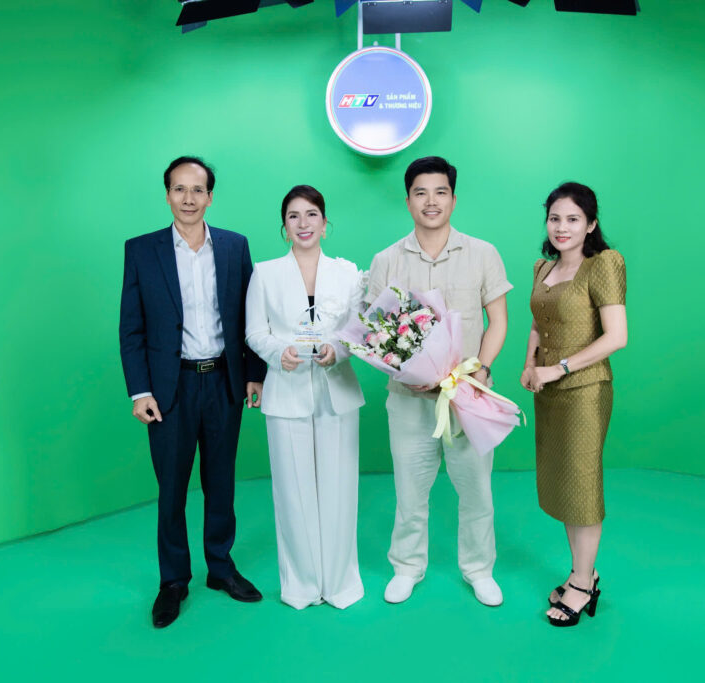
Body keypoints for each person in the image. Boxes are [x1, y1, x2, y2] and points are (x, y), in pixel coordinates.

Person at [119, 156, 267, 628]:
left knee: (221, 483)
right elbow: (132, 328)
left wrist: (254, 373)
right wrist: (140, 391)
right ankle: (173, 582)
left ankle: (220, 568)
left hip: (223, 381)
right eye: (179, 189)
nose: (188, 198)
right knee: (172, 488)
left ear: (210, 196)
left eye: (197, 190)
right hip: (170, 388)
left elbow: (251, 317)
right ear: (167, 195)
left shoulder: (234, 246)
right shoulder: (141, 250)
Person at [365, 156, 512, 607]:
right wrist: (400, 372)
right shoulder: (386, 260)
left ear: (453, 198)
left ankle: (479, 569)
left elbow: (499, 320)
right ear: (408, 200)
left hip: (467, 395)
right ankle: (407, 567)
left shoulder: (482, 253)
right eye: (421, 193)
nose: (431, 201)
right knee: (410, 491)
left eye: (440, 192)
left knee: (477, 490)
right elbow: (373, 334)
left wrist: (482, 366)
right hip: (407, 400)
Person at [245, 185, 366, 609]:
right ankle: (301, 584)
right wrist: (279, 353)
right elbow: (254, 331)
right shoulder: (265, 273)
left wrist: (339, 350)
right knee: (293, 492)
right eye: (293, 216)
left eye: (311, 214)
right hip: (286, 391)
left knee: (339, 489)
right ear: (284, 227)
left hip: (338, 391)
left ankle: (339, 582)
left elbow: (359, 329)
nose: (303, 223)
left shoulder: (349, 273)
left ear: (325, 224)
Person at [520, 181, 627, 627]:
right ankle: (582, 572)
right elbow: (537, 323)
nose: (562, 227)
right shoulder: (542, 268)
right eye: (555, 218)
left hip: (585, 391)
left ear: (591, 224)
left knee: (582, 486)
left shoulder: (603, 264)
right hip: (549, 392)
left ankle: (582, 585)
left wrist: (558, 368)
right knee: (564, 484)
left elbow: (617, 337)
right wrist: (530, 364)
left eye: (573, 219)